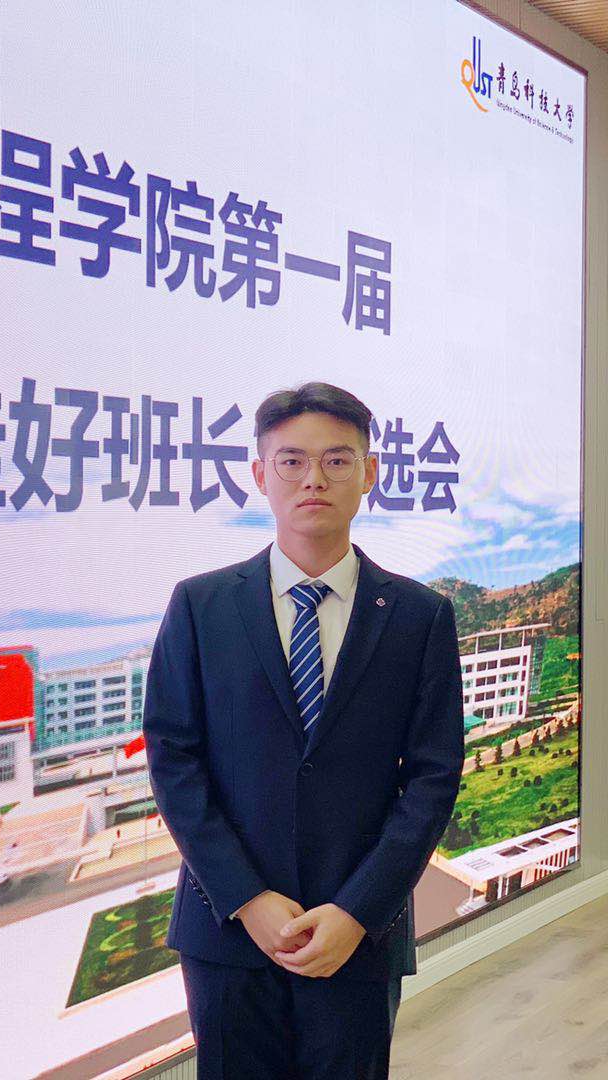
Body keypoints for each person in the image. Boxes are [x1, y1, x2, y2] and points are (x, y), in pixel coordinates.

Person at [142, 382, 464, 1079]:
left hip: (357, 935)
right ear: (261, 474)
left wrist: (357, 911)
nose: (313, 478)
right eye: (291, 461)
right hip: (229, 933)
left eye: (337, 460)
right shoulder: (200, 605)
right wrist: (246, 898)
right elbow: (173, 759)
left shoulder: (420, 616)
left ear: (369, 473)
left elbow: (433, 778)